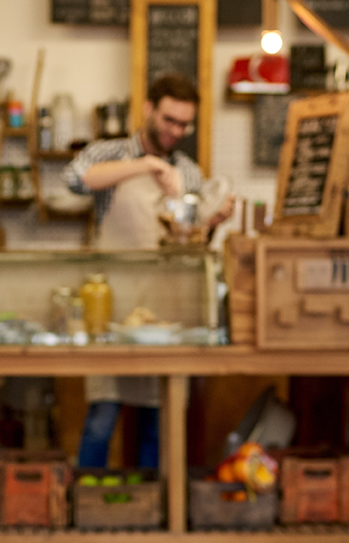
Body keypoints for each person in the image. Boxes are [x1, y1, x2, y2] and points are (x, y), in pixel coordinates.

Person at [64, 74, 233, 469]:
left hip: (163, 312)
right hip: (111, 306)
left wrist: (213, 221)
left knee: (160, 420)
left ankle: (150, 510)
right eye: (170, 120)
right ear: (148, 110)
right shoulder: (110, 153)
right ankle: (89, 511)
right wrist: (145, 165)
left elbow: (186, 238)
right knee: (102, 419)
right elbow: (75, 179)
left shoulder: (189, 173)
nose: (177, 131)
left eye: (184, 124)